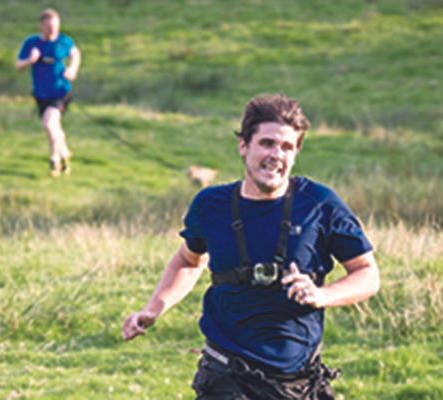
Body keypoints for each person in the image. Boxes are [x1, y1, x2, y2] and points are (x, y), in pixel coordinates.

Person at [122, 93, 380, 399]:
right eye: (267, 143)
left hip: (297, 379)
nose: (276, 155)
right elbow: (188, 261)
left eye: (287, 147)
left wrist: (321, 294)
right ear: (243, 145)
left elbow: (367, 274)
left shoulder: (320, 204)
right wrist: (153, 308)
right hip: (226, 373)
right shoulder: (210, 205)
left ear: (296, 154)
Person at [16, 8, 81, 177]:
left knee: (49, 124)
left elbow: (75, 54)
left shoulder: (63, 41)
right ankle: (65, 153)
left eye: (55, 27)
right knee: (54, 127)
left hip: (61, 92)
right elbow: (18, 65)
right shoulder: (32, 43)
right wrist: (30, 60)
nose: (52, 31)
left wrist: (72, 69)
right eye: (49, 27)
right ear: (41, 26)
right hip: (41, 95)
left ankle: (54, 160)